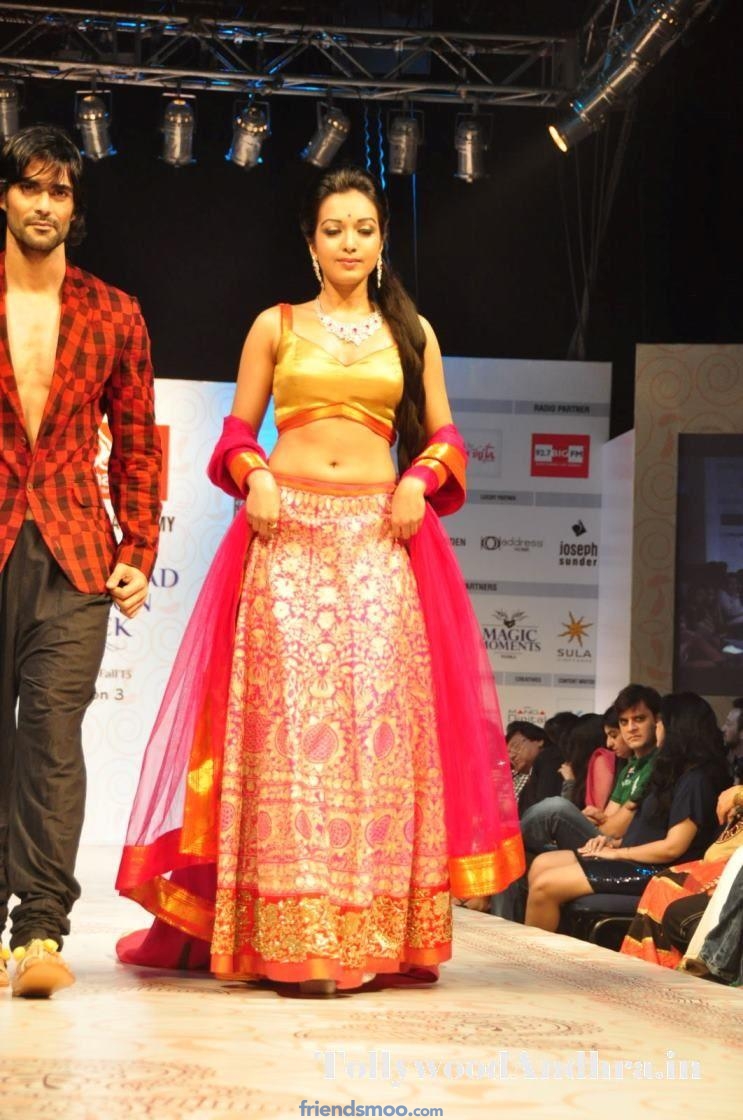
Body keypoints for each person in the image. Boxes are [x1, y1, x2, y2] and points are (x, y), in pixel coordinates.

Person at [115, 165, 523, 995]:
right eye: (333, 229)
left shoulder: (411, 332)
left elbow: (444, 435)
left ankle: (365, 933)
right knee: (288, 737)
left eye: (363, 229)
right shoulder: (276, 324)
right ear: (310, 242)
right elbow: (235, 430)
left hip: (378, 541)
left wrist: (418, 481)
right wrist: (255, 473)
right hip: (287, 539)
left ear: (381, 240)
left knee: (376, 734)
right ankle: (291, 937)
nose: (349, 242)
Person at [0, 126, 161, 997]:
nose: (43, 204)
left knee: (53, 741)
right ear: (4, 197)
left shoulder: (114, 312)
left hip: (72, 550)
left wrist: (139, 546)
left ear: (75, 208)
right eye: (29, 187)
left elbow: (136, 442)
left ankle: (39, 930)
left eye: (58, 192)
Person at [525, 692, 729, 934]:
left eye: (659, 722)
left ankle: (537, 956)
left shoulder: (696, 780)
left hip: (656, 872)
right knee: (542, 863)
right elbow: (650, 830)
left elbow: (672, 848)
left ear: (676, 728)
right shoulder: (672, 773)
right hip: (635, 860)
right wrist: (613, 843)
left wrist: (617, 853)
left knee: (545, 885)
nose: (655, 728)